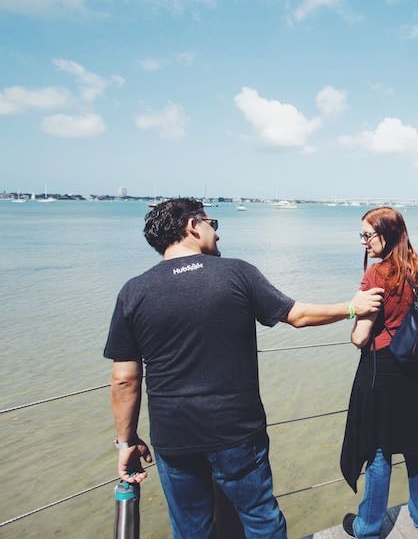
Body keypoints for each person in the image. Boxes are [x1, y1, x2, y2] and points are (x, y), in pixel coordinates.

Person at [104, 198, 384, 538]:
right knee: (261, 520)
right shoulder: (236, 272)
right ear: (192, 227)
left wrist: (126, 442)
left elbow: (124, 380)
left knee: (191, 528)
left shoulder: (133, 292)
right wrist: (351, 308)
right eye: (212, 225)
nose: (217, 235)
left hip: (173, 436)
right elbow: (298, 316)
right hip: (237, 431)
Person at [340, 207, 418, 538]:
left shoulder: (376, 276)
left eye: (369, 235)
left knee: (378, 450)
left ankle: (367, 527)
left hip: (382, 369)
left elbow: (360, 337)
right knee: (414, 443)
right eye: (362, 235)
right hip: (416, 367)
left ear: (388, 235)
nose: (364, 242)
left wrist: (353, 307)